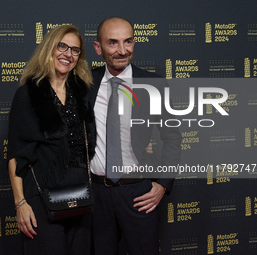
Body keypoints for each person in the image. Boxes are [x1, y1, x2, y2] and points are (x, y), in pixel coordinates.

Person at [88, 17, 182, 255]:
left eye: (128, 42)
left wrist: (162, 185)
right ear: (98, 47)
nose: (122, 50)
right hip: (96, 194)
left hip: (138, 193)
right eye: (113, 43)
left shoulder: (154, 84)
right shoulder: (85, 83)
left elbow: (172, 137)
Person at [7, 25, 96, 255]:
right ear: (50, 48)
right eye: (62, 46)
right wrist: (20, 203)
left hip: (80, 197)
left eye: (75, 50)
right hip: (43, 197)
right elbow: (16, 155)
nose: (68, 54)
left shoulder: (81, 93)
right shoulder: (28, 94)